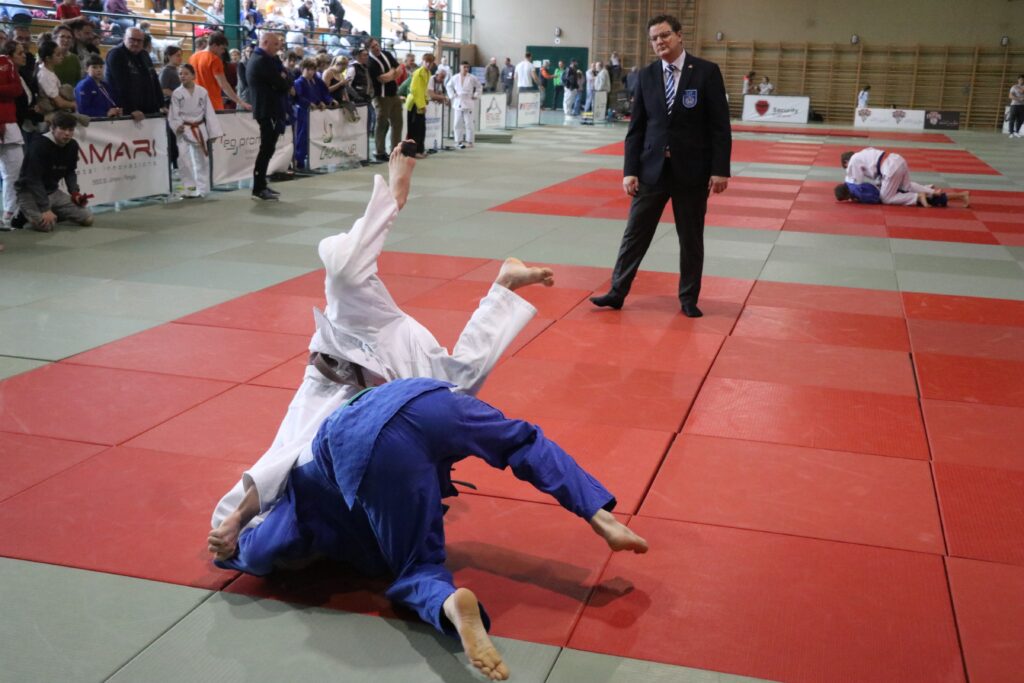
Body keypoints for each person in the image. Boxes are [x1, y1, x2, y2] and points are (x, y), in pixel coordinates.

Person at [590, 14, 731, 318]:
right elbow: (636, 128)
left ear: (679, 36)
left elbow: (720, 126)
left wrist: (720, 169)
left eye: (665, 35)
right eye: (654, 38)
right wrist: (629, 170)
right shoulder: (647, 75)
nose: (659, 42)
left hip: (692, 171)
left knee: (690, 238)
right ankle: (617, 292)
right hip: (651, 170)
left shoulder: (706, 72)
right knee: (634, 234)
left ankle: (689, 298)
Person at [11, 111, 92, 232]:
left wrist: (75, 192)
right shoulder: (39, 145)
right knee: (47, 226)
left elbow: (70, 171)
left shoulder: (72, 145)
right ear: (52, 128)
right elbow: (33, 180)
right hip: (29, 192)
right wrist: (45, 208)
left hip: (52, 191)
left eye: (70, 130)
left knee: (87, 218)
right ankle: (22, 213)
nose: (67, 133)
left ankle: (50, 210)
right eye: (62, 129)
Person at [839, 147, 970, 207]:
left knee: (886, 198)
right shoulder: (865, 152)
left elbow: (856, 183)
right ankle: (931, 191)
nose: (848, 168)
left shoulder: (854, 160)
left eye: (846, 166)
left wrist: (851, 192)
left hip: (890, 168)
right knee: (906, 187)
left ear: (846, 162)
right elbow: (876, 171)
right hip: (898, 160)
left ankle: (917, 196)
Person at [167, 62, 222, 198]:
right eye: (180, 74)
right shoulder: (177, 93)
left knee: (202, 160)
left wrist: (213, 132)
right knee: (184, 160)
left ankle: (203, 189)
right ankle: (190, 189)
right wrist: (177, 125)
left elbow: (209, 112)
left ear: (193, 75)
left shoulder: (202, 91)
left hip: (199, 127)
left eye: (186, 73)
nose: (182, 76)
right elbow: (173, 113)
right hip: (184, 129)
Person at [104, 27, 164, 121]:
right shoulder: (116, 54)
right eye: (132, 39)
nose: (136, 43)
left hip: (149, 109)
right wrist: (131, 109)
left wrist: (161, 104)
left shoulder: (144, 54)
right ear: (124, 38)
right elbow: (119, 85)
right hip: (128, 112)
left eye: (139, 41)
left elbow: (154, 80)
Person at [0, 39, 25, 230]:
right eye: (20, 52)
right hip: (7, 120)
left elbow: (16, 89)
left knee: (14, 171)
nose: (24, 56)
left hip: (9, 123)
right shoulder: (6, 62)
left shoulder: (7, 64)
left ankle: (10, 212)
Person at [190, 32, 250, 112]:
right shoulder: (215, 60)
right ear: (214, 45)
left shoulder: (193, 57)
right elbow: (224, 85)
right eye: (222, 48)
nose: (224, 51)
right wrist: (240, 102)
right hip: (212, 103)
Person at [292, 57, 334, 169]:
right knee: (302, 136)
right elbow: (298, 97)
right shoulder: (298, 82)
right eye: (309, 69)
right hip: (303, 112)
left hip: (313, 113)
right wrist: (308, 103)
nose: (311, 72)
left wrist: (320, 102)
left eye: (313, 70)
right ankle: (299, 160)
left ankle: (312, 158)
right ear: (303, 69)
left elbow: (317, 95)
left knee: (314, 136)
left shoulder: (313, 82)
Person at [366, 37, 402, 162]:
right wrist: (392, 72)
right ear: (368, 49)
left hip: (394, 94)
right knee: (382, 124)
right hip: (381, 97)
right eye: (373, 47)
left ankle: (395, 150)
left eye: (377, 45)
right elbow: (382, 79)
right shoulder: (370, 62)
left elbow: (399, 70)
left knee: (398, 123)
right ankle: (379, 151)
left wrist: (391, 74)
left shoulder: (387, 54)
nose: (376, 48)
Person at [447, 60, 479, 149]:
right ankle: (458, 141)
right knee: (457, 123)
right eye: (464, 67)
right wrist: (452, 95)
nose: (466, 69)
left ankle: (470, 141)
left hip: (468, 101)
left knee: (469, 123)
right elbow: (448, 86)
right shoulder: (455, 77)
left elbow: (479, 87)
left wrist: (476, 95)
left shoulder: (472, 77)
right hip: (458, 101)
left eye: (467, 67)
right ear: (460, 67)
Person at [404, 52, 431, 158]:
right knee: (414, 129)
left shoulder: (427, 73)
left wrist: (426, 99)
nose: (428, 64)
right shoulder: (418, 73)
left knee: (421, 129)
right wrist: (421, 105)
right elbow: (415, 90)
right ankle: (413, 152)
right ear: (422, 61)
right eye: (426, 62)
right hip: (414, 104)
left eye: (430, 62)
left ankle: (420, 150)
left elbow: (424, 89)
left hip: (420, 102)